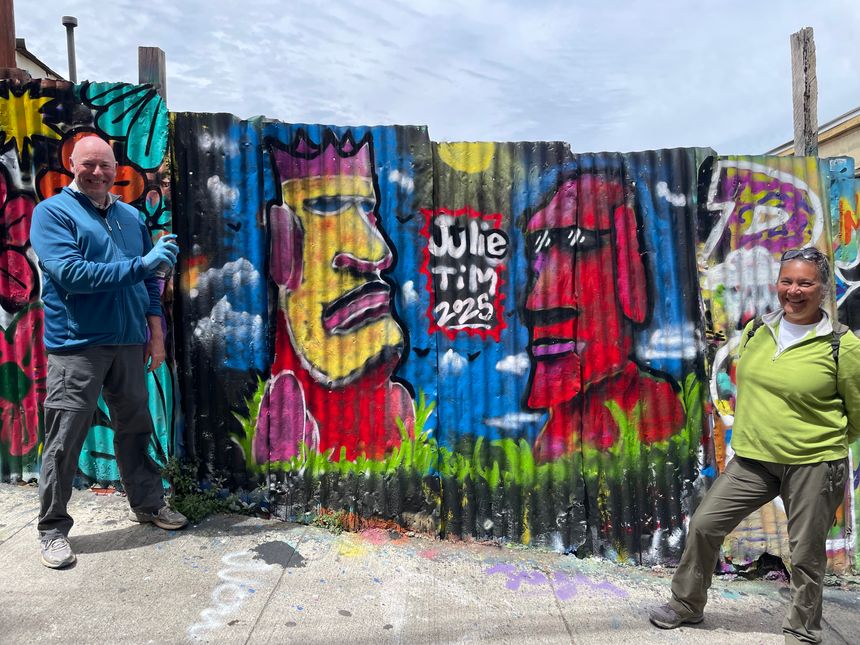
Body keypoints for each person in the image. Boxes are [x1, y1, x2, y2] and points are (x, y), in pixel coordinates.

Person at [649, 247, 860, 644]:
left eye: (805, 282)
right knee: (705, 525)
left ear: (823, 288)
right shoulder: (757, 331)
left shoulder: (840, 345)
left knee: (806, 555)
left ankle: (802, 631)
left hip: (813, 464)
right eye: (787, 281)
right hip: (753, 461)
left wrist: (823, 444)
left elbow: (858, 412)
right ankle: (687, 604)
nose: (794, 290)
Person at [30, 136, 187, 570]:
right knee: (65, 439)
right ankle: (52, 529)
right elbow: (72, 274)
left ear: (116, 168)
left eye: (105, 165)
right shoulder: (52, 213)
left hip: (129, 340)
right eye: (89, 165)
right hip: (77, 346)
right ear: (72, 165)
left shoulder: (130, 217)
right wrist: (146, 262)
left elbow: (149, 283)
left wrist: (155, 332)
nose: (98, 173)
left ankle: (149, 504)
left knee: (135, 426)